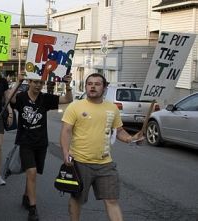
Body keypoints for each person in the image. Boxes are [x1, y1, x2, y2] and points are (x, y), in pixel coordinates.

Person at [60, 73, 144, 221]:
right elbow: (66, 130)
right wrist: (66, 152)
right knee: (77, 200)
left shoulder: (112, 108)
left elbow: (119, 131)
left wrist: (131, 139)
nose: (92, 86)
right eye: (89, 83)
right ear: (86, 86)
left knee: (112, 200)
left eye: (97, 84)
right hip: (80, 163)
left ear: (104, 88)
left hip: (105, 164)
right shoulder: (75, 106)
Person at [8, 72, 73, 221]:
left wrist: (68, 85)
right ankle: (33, 209)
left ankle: (26, 196)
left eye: (41, 83)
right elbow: (9, 99)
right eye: (35, 82)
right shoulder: (22, 97)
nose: (38, 85)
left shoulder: (45, 98)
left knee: (33, 173)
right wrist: (18, 82)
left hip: (41, 143)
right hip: (25, 142)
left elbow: (68, 99)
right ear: (29, 82)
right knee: (31, 171)